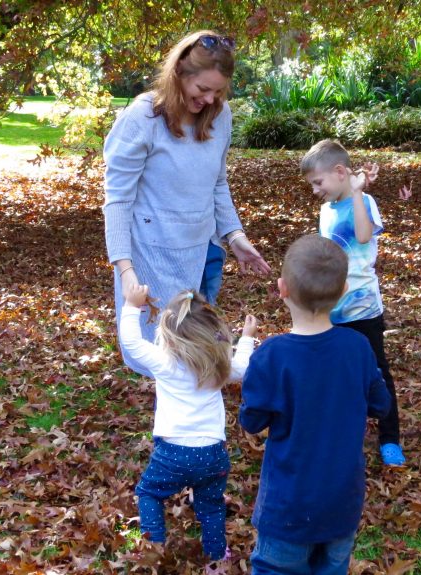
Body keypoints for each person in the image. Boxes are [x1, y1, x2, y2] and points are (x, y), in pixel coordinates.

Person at [103, 30, 270, 377]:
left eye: (218, 91)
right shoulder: (141, 118)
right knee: (159, 356)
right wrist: (126, 270)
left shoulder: (219, 118)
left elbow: (217, 184)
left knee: (195, 348)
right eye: (202, 89)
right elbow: (118, 200)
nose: (210, 99)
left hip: (201, 251)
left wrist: (236, 238)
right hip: (151, 255)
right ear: (179, 73)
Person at [239, 234, 391, 574]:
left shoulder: (271, 356)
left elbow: (252, 420)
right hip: (342, 502)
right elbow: (380, 403)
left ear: (282, 288)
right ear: (342, 291)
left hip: (288, 506)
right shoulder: (357, 348)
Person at [121, 284, 258, 571]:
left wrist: (132, 306)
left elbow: (131, 343)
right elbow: (244, 368)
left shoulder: (165, 362)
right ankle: (217, 558)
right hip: (212, 454)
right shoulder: (219, 364)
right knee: (210, 505)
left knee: (149, 493)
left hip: (172, 453)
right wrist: (246, 339)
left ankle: (154, 546)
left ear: (168, 336)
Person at [300, 139, 411, 467]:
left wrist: (359, 192)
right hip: (332, 309)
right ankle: (339, 434)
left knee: (376, 371)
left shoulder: (366, 202)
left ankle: (390, 438)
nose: (315, 190)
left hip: (363, 309)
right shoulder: (325, 210)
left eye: (318, 183)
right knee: (335, 374)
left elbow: (363, 236)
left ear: (339, 172)